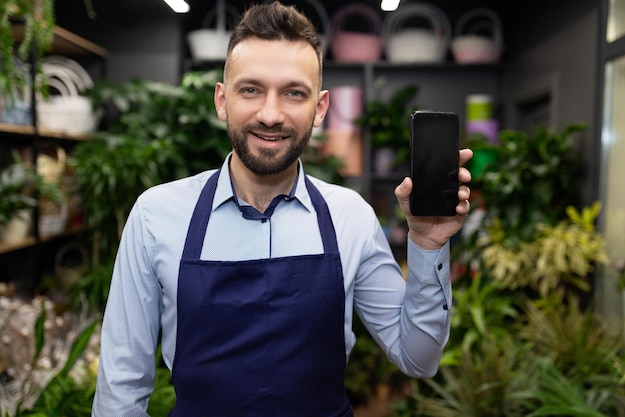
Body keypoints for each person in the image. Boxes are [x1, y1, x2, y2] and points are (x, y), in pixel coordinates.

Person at [91, 2, 473, 416]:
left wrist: (427, 246)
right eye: (251, 89)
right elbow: (120, 392)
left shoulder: (350, 216)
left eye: (294, 93)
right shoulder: (156, 216)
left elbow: (418, 358)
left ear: (320, 109)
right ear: (222, 100)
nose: (270, 114)